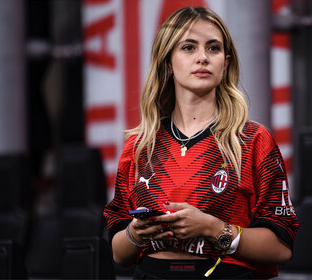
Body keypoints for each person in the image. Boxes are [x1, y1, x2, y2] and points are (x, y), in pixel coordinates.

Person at [104, 6, 298, 279]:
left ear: (225, 63)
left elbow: (282, 248)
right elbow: (118, 254)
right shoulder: (139, 146)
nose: (203, 58)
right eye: (188, 47)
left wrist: (214, 229)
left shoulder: (253, 140)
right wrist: (135, 234)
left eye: (213, 48)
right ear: (168, 63)